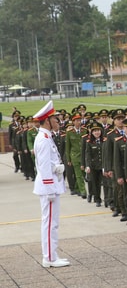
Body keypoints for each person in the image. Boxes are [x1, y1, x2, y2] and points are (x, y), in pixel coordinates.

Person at [32, 101, 69, 268]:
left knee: (52, 222)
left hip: (51, 184)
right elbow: (44, 166)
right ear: (47, 120)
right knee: (49, 223)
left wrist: (57, 167)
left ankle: (52, 255)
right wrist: (50, 189)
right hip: (49, 186)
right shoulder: (44, 139)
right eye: (55, 119)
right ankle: (49, 258)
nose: (58, 122)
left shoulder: (46, 137)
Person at [65, 112, 87, 199]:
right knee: (78, 174)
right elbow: (68, 147)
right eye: (77, 120)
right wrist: (68, 159)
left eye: (79, 120)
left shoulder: (84, 130)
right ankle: (83, 191)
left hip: (83, 155)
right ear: (73, 122)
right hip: (74, 156)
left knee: (83, 173)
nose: (78, 122)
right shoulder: (69, 132)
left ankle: (77, 188)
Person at [84, 121, 105, 207]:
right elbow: (88, 155)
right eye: (95, 131)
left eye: (98, 130)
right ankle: (97, 199)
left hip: (102, 165)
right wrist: (88, 165)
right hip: (93, 166)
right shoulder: (89, 142)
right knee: (95, 183)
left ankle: (107, 199)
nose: (97, 132)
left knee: (104, 183)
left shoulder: (104, 141)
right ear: (92, 132)